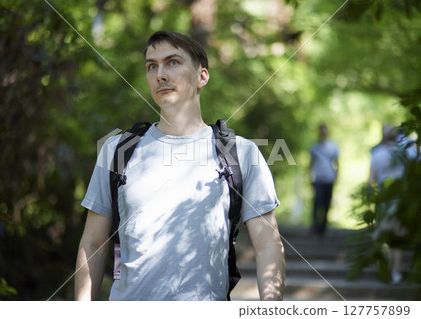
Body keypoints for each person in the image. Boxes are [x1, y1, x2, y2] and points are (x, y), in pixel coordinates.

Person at [75, 31, 285, 301]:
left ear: (202, 76)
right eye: (152, 66)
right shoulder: (117, 149)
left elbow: (268, 246)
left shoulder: (241, 154)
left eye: (172, 62)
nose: (160, 74)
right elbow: (92, 243)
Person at [368, 125, 408, 284]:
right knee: (397, 238)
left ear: (383, 136)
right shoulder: (404, 153)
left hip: (384, 200)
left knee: (380, 237)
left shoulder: (377, 154)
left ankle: (383, 270)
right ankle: (396, 273)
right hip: (400, 200)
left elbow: (370, 181)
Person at [309, 124, 339, 237]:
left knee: (326, 203)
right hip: (318, 179)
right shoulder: (314, 147)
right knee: (317, 202)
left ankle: (323, 228)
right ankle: (315, 226)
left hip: (329, 179)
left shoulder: (333, 147)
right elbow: (311, 163)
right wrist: (310, 175)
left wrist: (335, 176)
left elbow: (337, 163)